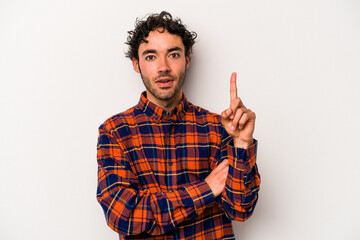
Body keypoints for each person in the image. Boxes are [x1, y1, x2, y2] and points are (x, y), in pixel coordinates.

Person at [96, 11, 260, 240]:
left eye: (173, 54)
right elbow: (124, 215)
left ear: (187, 60)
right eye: (151, 57)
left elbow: (240, 210)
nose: (163, 67)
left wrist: (242, 144)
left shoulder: (218, 127)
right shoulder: (115, 131)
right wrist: (206, 189)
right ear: (136, 64)